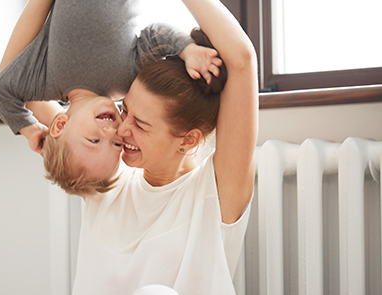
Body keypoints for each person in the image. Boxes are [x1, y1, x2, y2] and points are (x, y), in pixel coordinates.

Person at [72, 0, 258, 294]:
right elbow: (15, 85)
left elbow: (242, 59)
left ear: (188, 140)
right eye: (125, 110)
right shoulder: (104, 174)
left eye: (142, 125)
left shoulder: (216, 194)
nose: (122, 129)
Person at [0, 0, 222, 196]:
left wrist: (30, 130)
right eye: (116, 144)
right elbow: (153, 37)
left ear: (60, 124)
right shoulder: (127, 82)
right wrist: (187, 49)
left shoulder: (44, 82)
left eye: (94, 141)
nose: (112, 133)